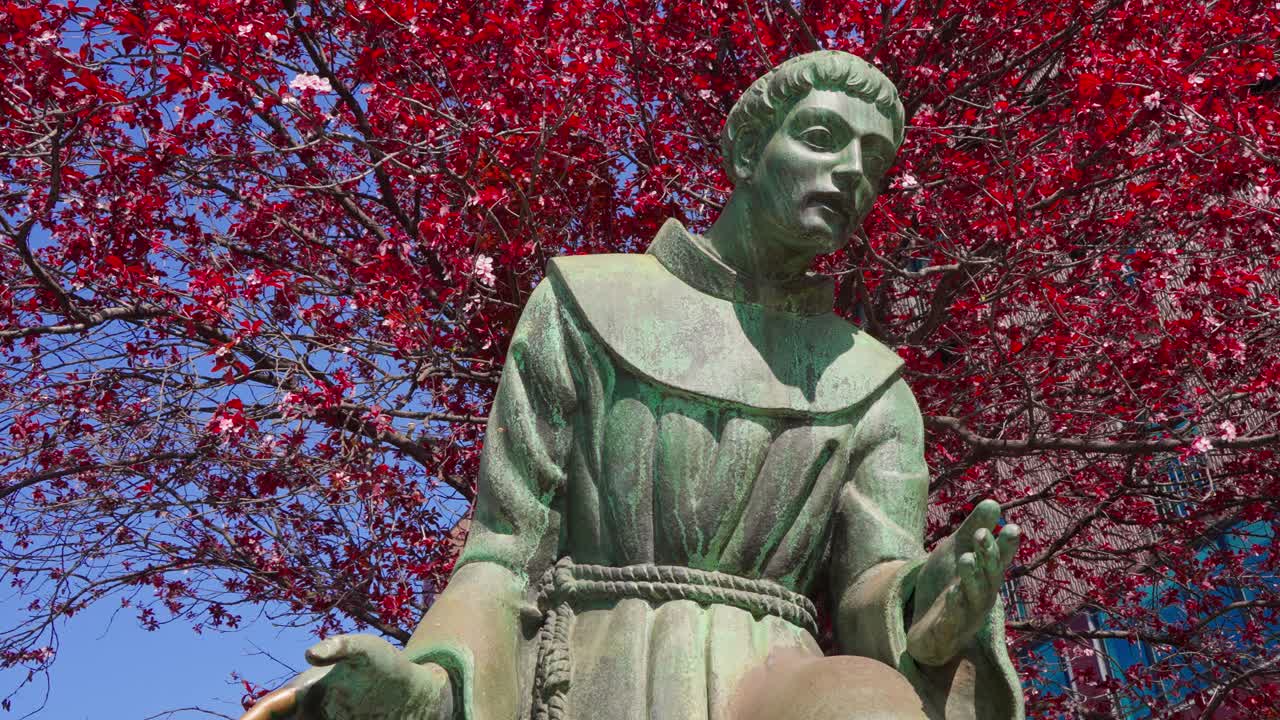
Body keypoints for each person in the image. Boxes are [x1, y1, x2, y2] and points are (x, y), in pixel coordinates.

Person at [242, 50, 1025, 720]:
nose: (852, 172)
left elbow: (869, 586)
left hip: (781, 682)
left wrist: (934, 604)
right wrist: (432, 684)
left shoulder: (870, 380)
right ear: (748, 150)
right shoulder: (586, 302)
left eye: (875, 163)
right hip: (590, 666)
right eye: (822, 138)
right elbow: (504, 555)